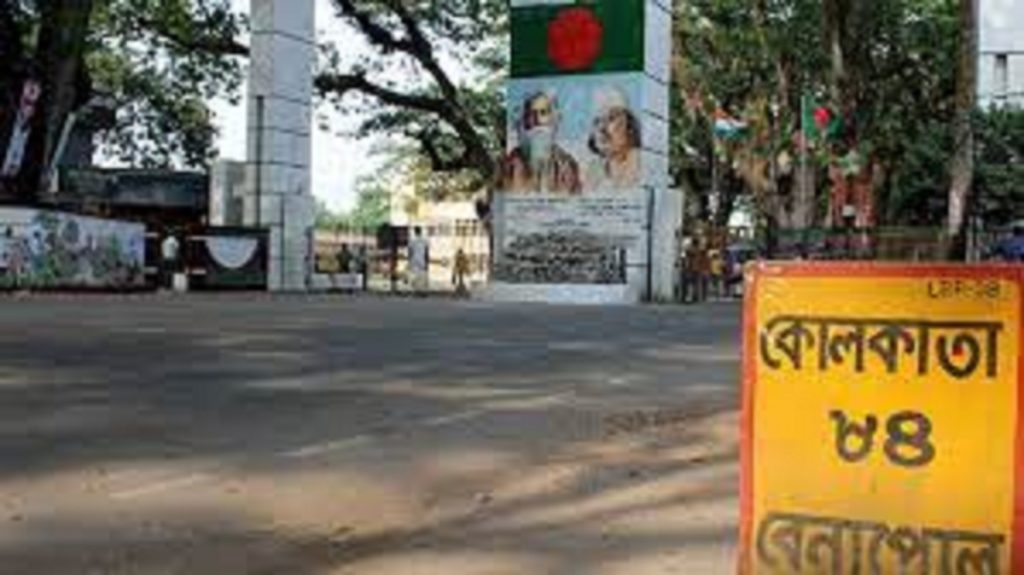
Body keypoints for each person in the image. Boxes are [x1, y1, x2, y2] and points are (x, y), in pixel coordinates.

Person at [504, 91, 582, 194]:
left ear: (553, 119)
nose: (538, 120)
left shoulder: (568, 165)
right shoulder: (507, 165)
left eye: (543, 113)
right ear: (524, 120)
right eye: (531, 114)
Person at [586, 89, 642, 191]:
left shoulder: (642, 164)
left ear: (629, 126)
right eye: (597, 121)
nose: (601, 128)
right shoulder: (594, 170)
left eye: (611, 118)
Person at [407, 227, 430, 295]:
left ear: (415, 232)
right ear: (421, 231)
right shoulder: (425, 240)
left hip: (414, 259)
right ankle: (423, 291)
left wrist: (409, 260)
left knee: (415, 275)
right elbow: (427, 252)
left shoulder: (412, 241)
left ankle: (416, 291)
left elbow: (410, 252)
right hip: (422, 259)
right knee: (422, 275)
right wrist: (427, 261)